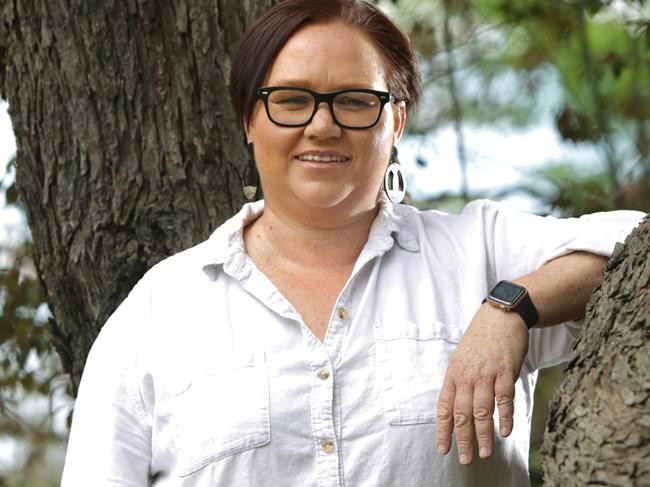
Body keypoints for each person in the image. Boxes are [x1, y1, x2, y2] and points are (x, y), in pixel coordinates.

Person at [61, 1, 644, 485]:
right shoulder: (158, 312)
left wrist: (511, 307)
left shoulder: (478, 250)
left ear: (396, 122)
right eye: (291, 100)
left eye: (355, 101)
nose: (322, 125)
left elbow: (636, 246)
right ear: (248, 119)